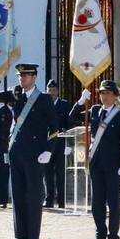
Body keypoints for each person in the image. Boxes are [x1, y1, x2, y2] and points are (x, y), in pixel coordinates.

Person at [68, 80, 120, 239]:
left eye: (108, 93)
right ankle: (100, 237)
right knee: (97, 203)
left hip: (113, 165)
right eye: (102, 93)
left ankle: (113, 238)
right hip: (96, 163)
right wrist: (80, 102)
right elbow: (72, 118)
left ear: (115, 96)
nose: (104, 97)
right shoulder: (95, 110)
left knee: (113, 203)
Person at [2, 64, 58, 239]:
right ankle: (21, 236)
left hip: (35, 153)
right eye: (20, 76)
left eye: (25, 76)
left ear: (34, 77)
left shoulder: (43, 99)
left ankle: (33, 237)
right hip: (16, 151)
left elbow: (54, 127)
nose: (22, 79)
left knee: (33, 194)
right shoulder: (15, 96)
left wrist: (49, 150)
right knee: (18, 194)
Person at [43, 81, 71, 209]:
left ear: (58, 91)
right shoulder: (44, 104)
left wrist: (68, 144)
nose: (52, 93)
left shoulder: (64, 105)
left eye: (54, 90)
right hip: (48, 144)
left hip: (60, 143)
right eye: (49, 90)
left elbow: (70, 123)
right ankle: (49, 199)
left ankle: (61, 200)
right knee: (47, 172)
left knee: (60, 173)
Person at [0, 91, 12, 209]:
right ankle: (2, 199)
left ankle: (2, 199)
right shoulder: (4, 110)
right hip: (3, 146)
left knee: (3, 172)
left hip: (3, 146)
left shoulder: (4, 112)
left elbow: (4, 130)